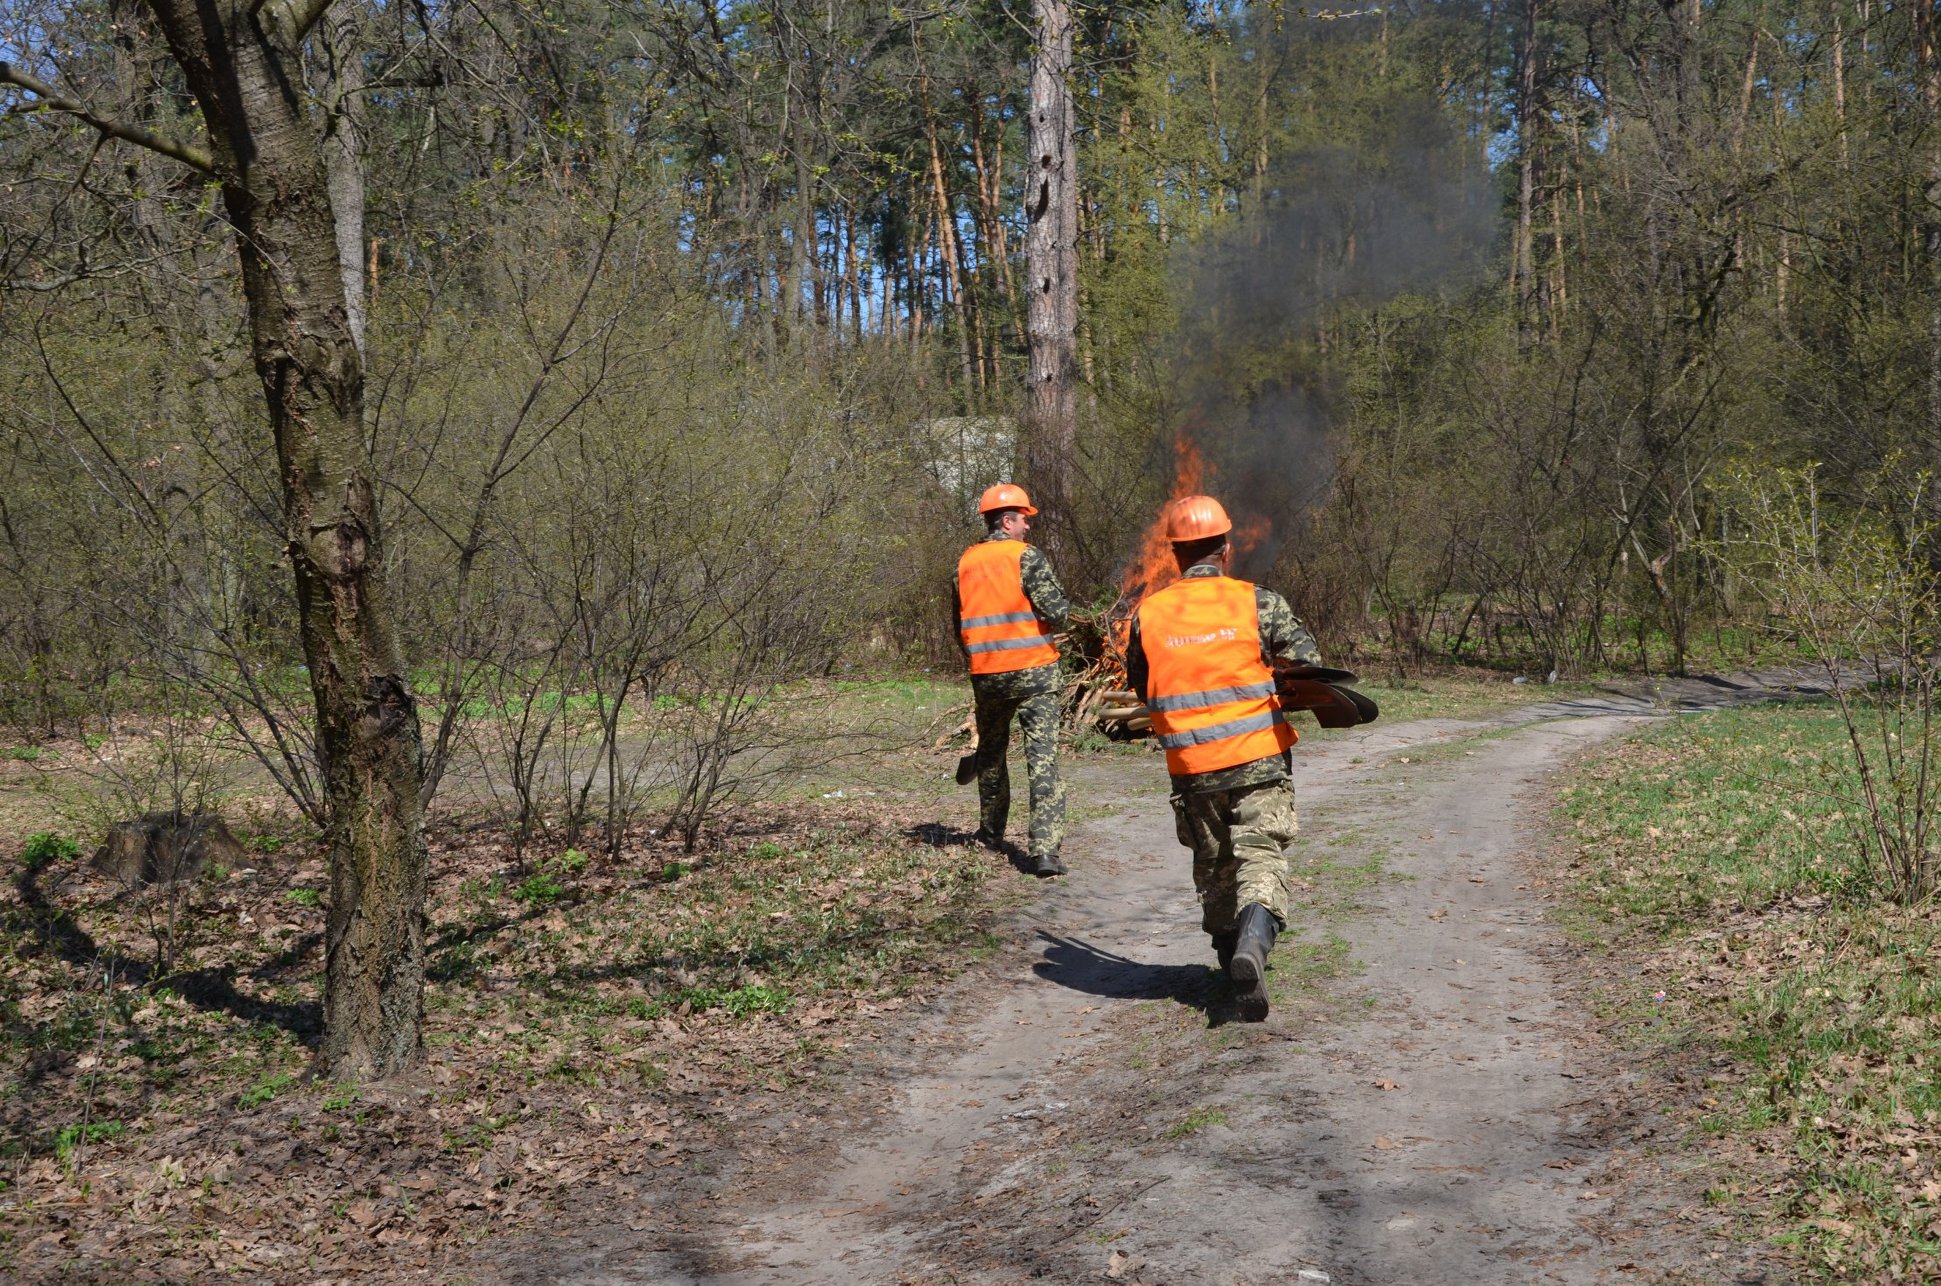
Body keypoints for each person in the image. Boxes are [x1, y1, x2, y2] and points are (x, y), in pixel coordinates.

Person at [1124, 494, 1322, 1020]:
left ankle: (1230, 971)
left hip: (1191, 767)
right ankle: (1252, 947)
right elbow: (1309, 664)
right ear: (1226, 548)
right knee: (1260, 853)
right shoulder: (1259, 602)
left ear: (1175, 554)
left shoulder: (1148, 614)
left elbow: (1142, 689)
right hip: (1259, 758)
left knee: (1215, 866)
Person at [954, 483, 1072, 877]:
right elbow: (1057, 611)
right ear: (1007, 521)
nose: (1027, 527)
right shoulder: (1026, 557)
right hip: (1034, 671)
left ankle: (990, 835)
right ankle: (1044, 853)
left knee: (991, 756)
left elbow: (960, 625)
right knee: (1042, 760)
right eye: (1024, 520)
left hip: (987, 674)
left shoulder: (965, 562)